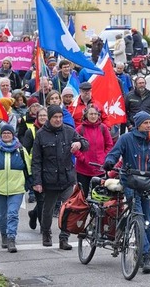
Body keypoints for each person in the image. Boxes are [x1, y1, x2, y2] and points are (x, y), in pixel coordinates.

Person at [103, 111, 150, 274]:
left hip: (146, 182)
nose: (149, 125)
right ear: (138, 124)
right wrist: (109, 162)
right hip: (130, 182)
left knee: (149, 221)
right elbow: (114, 153)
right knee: (138, 215)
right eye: (146, 123)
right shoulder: (126, 139)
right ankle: (146, 255)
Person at [31, 105, 89, 250]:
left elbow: (86, 144)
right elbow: (36, 160)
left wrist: (79, 143)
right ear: (49, 118)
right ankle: (46, 233)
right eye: (55, 117)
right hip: (49, 180)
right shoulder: (41, 135)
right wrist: (37, 181)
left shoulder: (69, 131)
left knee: (68, 210)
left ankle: (64, 238)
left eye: (60, 117)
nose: (58, 120)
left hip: (67, 179)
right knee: (48, 210)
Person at [0, 123, 30, 253]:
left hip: (16, 189)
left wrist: (27, 184)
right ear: (1, 135)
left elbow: (28, 170)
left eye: (9, 133)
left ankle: (12, 238)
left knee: (12, 214)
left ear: (13, 135)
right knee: (1, 216)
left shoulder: (21, 150)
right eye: (4, 133)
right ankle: (4, 235)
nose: (6, 135)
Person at [73, 104, 114, 197]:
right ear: (86, 115)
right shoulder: (80, 129)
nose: (93, 116)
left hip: (100, 169)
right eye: (91, 114)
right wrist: (82, 158)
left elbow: (109, 145)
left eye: (95, 114)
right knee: (83, 196)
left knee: (98, 197)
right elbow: (73, 147)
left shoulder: (103, 128)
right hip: (83, 170)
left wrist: (104, 157)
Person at [24, 106, 48, 230]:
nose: (43, 118)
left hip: (50, 169)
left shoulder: (53, 130)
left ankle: (33, 213)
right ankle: (44, 228)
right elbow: (25, 151)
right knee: (41, 199)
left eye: (45, 115)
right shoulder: (31, 131)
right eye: (41, 116)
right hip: (36, 169)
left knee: (46, 199)